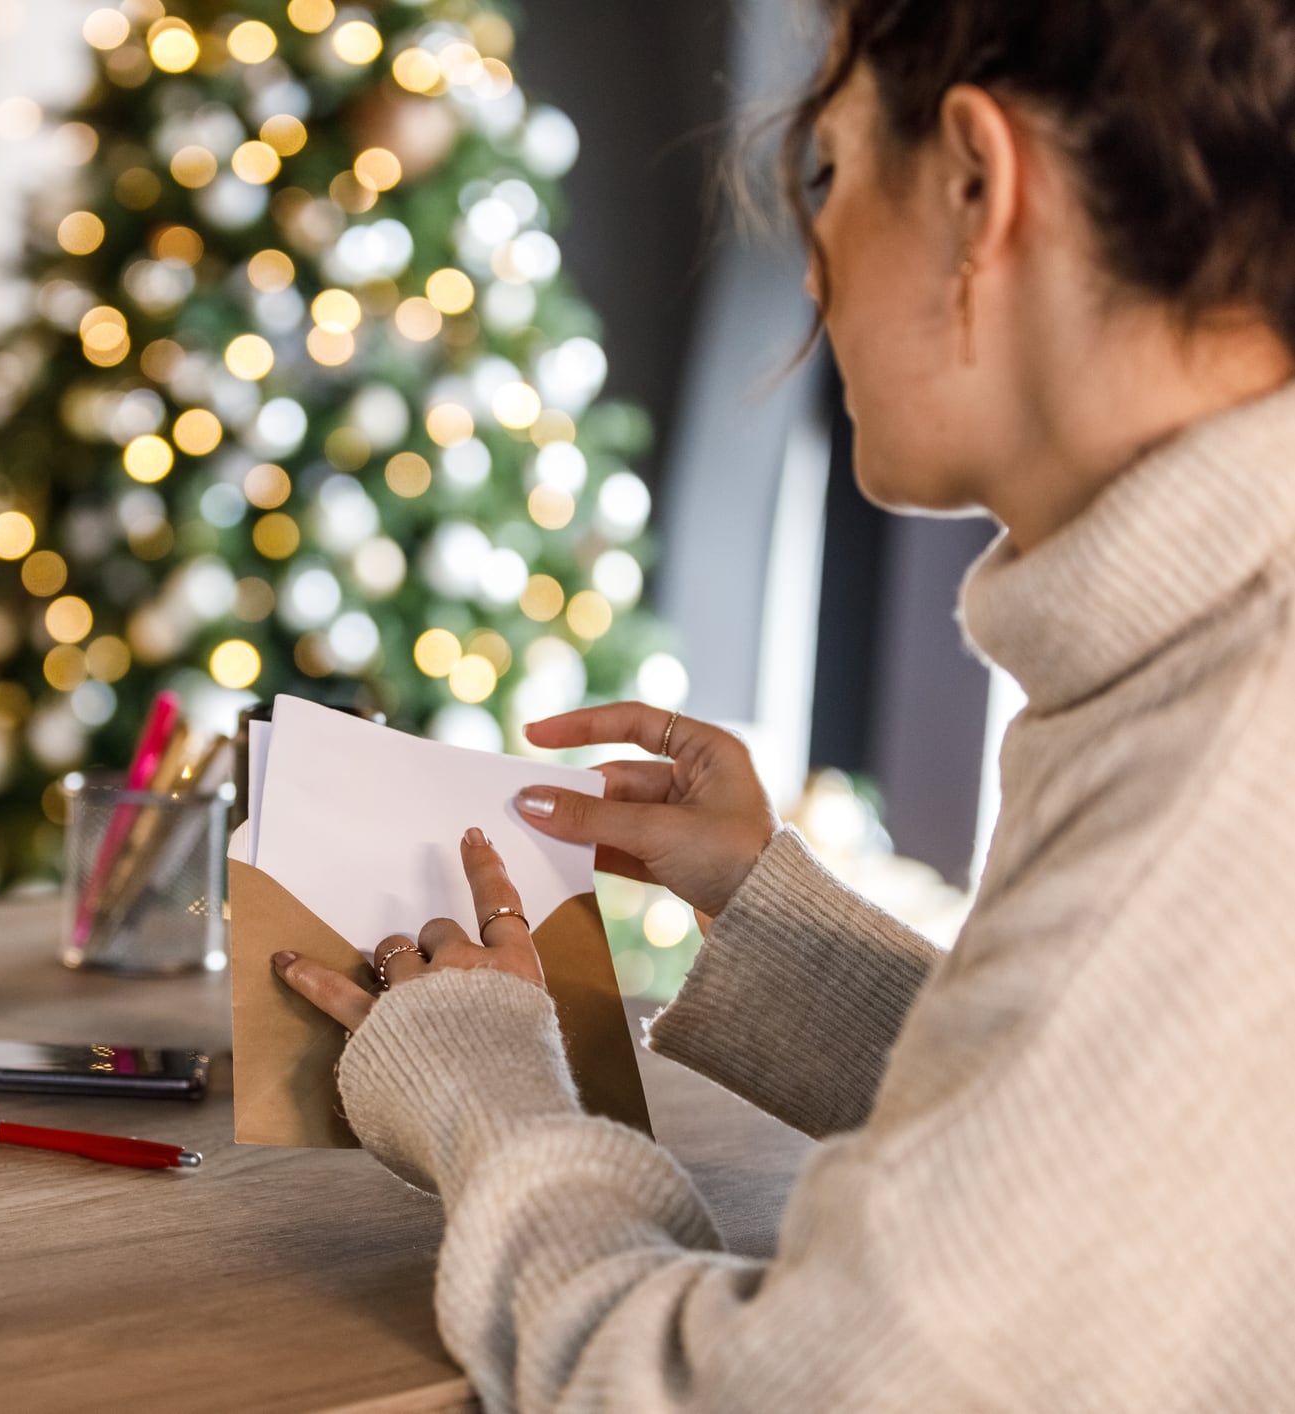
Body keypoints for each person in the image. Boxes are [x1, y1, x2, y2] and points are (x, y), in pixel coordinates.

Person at [269, 0, 1295, 1408]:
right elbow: (1117, 1155)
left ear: (975, 186)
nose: (808, 267)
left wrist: (476, 1087)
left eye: (823, 174)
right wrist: (772, 912)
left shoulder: (1218, 765)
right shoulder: (1211, 655)